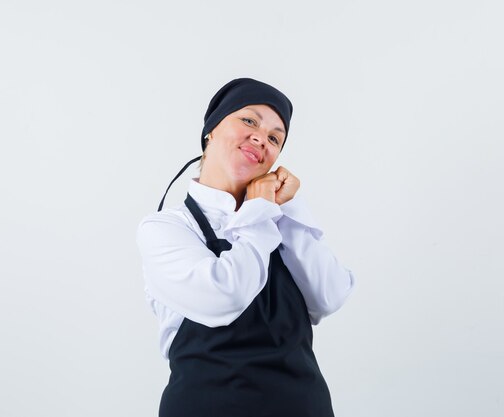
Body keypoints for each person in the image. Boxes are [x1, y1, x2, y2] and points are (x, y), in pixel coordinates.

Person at [136, 77, 356, 417]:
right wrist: (260, 210)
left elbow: (329, 295)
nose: (260, 138)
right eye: (249, 120)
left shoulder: (277, 220)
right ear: (210, 130)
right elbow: (224, 296)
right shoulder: (166, 229)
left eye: (274, 137)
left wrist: (286, 206)